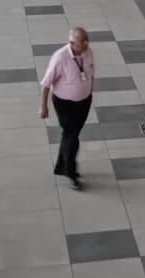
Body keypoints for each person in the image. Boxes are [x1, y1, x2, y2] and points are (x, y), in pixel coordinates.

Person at [39, 27, 94, 191]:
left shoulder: (88, 51)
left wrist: (88, 91)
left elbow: (91, 72)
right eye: (82, 41)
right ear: (71, 43)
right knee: (71, 136)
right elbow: (46, 83)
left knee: (72, 134)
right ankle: (70, 172)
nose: (85, 43)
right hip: (65, 104)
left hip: (84, 101)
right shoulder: (60, 57)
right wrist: (43, 106)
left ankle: (60, 165)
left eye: (86, 39)